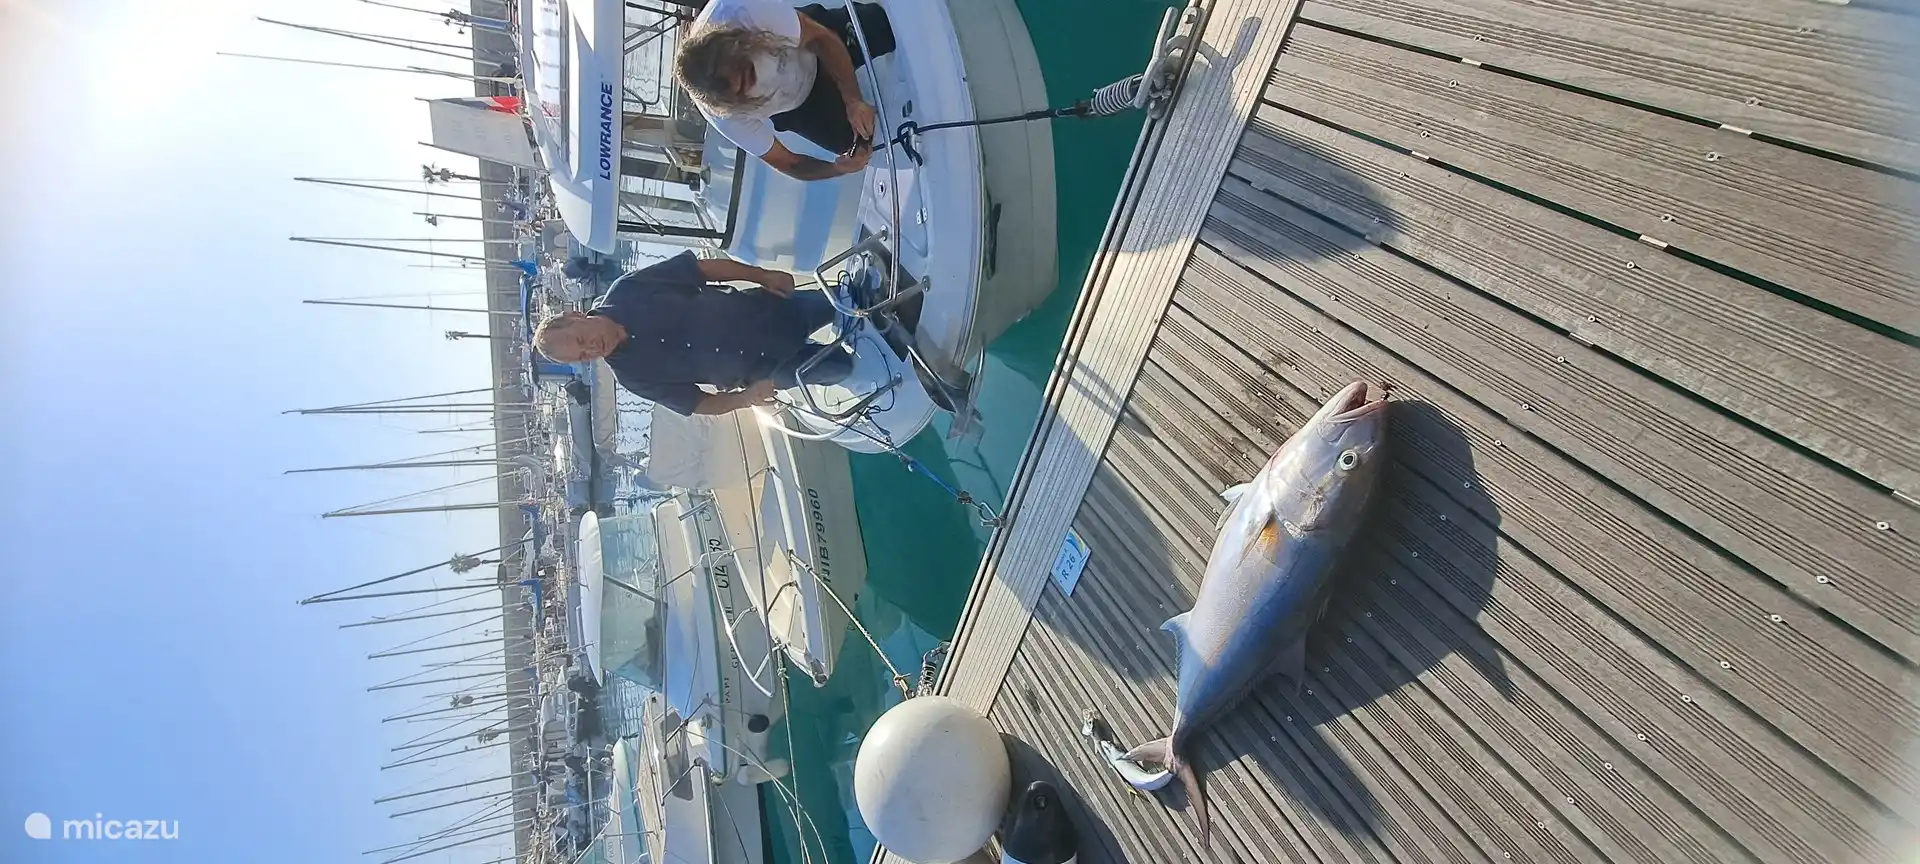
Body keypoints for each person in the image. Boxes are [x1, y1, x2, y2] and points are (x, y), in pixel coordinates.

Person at [531, 251, 852, 416]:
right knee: (844, 368)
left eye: (581, 340)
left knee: (853, 302)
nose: (592, 349)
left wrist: (761, 275)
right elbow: (698, 404)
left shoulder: (627, 289)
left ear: (575, 315)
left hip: (775, 312)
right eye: (584, 356)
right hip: (768, 371)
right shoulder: (633, 377)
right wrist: (745, 399)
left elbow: (701, 270)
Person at [673, 0, 896, 181]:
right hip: (800, 105)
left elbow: (821, 38)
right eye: (741, 92)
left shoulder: (740, 10)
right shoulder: (724, 118)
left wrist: (853, 100)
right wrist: (839, 168)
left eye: (748, 71)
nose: (753, 84)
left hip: (811, 45)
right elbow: (789, 163)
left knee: (882, 25)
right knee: (863, 147)